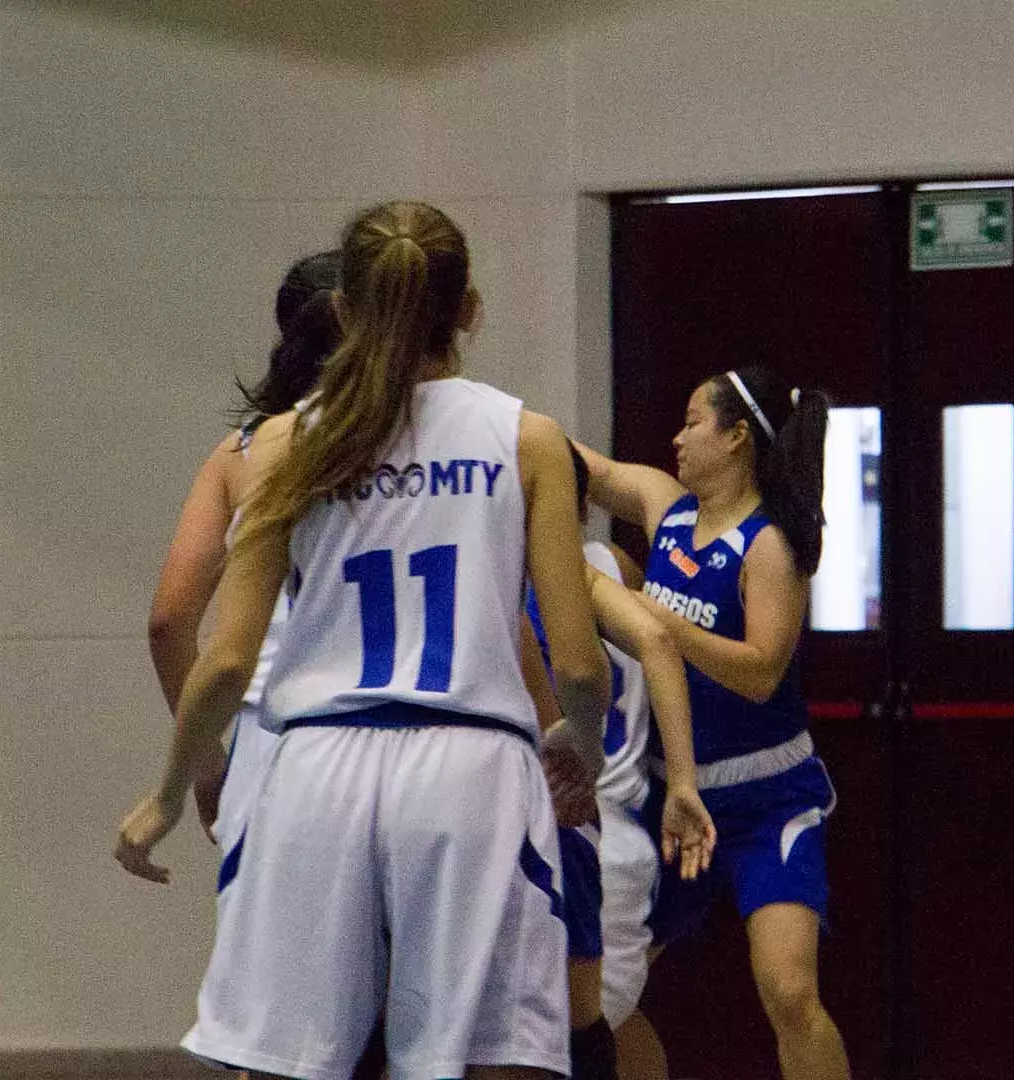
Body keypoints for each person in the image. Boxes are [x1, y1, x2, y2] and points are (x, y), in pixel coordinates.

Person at [116, 200, 609, 1080]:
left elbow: (226, 658)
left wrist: (164, 793)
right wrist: (579, 741)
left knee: (281, 1060)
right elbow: (577, 660)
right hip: (471, 769)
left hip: (315, 771)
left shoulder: (275, 446)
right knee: (496, 1056)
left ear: (345, 311)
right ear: (470, 310)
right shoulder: (527, 438)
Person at [577, 366, 849, 1080]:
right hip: (672, 797)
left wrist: (657, 623)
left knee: (789, 993)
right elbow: (586, 467)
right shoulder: (666, 509)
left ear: (734, 439)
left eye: (693, 421)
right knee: (601, 996)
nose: (677, 436)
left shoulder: (768, 545)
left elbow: (761, 671)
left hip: (767, 803)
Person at [519, 445, 717, 1080]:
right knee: (615, 1023)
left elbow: (654, 644)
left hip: (571, 827)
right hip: (627, 835)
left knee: (558, 1041)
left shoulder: (531, 579)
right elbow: (660, 642)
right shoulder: (617, 567)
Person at [146, 249, 341, 848]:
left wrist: (206, 765)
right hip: (428, 738)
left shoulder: (245, 451)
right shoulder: (448, 437)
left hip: (280, 737)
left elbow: (169, 622)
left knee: (283, 944)